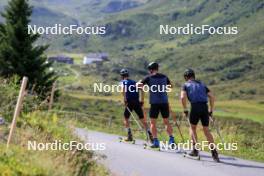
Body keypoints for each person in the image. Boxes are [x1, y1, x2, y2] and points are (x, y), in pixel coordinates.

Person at [180, 68, 220, 162]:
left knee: (192, 128)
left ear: (186, 77)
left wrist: (185, 109)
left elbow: (182, 97)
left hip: (195, 107)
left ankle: (195, 150)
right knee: (206, 130)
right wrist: (211, 110)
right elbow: (212, 97)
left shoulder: (185, 85)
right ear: (194, 76)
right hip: (204, 107)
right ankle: (214, 153)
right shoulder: (202, 84)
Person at [138, 62, 175, 148]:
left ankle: (156, 142)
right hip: (164, 102)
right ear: (157, 68)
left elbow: (138, 86)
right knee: (166, 122)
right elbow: (171, 86)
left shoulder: (148, 77)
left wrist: (140, 83)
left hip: (154, 103)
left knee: (153, 123)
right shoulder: (164, 77)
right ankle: (171, 139)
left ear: (150, 69)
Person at [120, 69, 153, 142]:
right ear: (128, 75)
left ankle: (129, 136)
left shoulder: (123, 82)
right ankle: (150, 134)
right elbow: (142, 89)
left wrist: (125, 99)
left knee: (126, 118)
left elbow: (123, 90)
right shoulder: (134, 82)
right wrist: (142, 100)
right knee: (142, 119)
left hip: (129, 102)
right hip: (137, 102)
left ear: (122, 76)